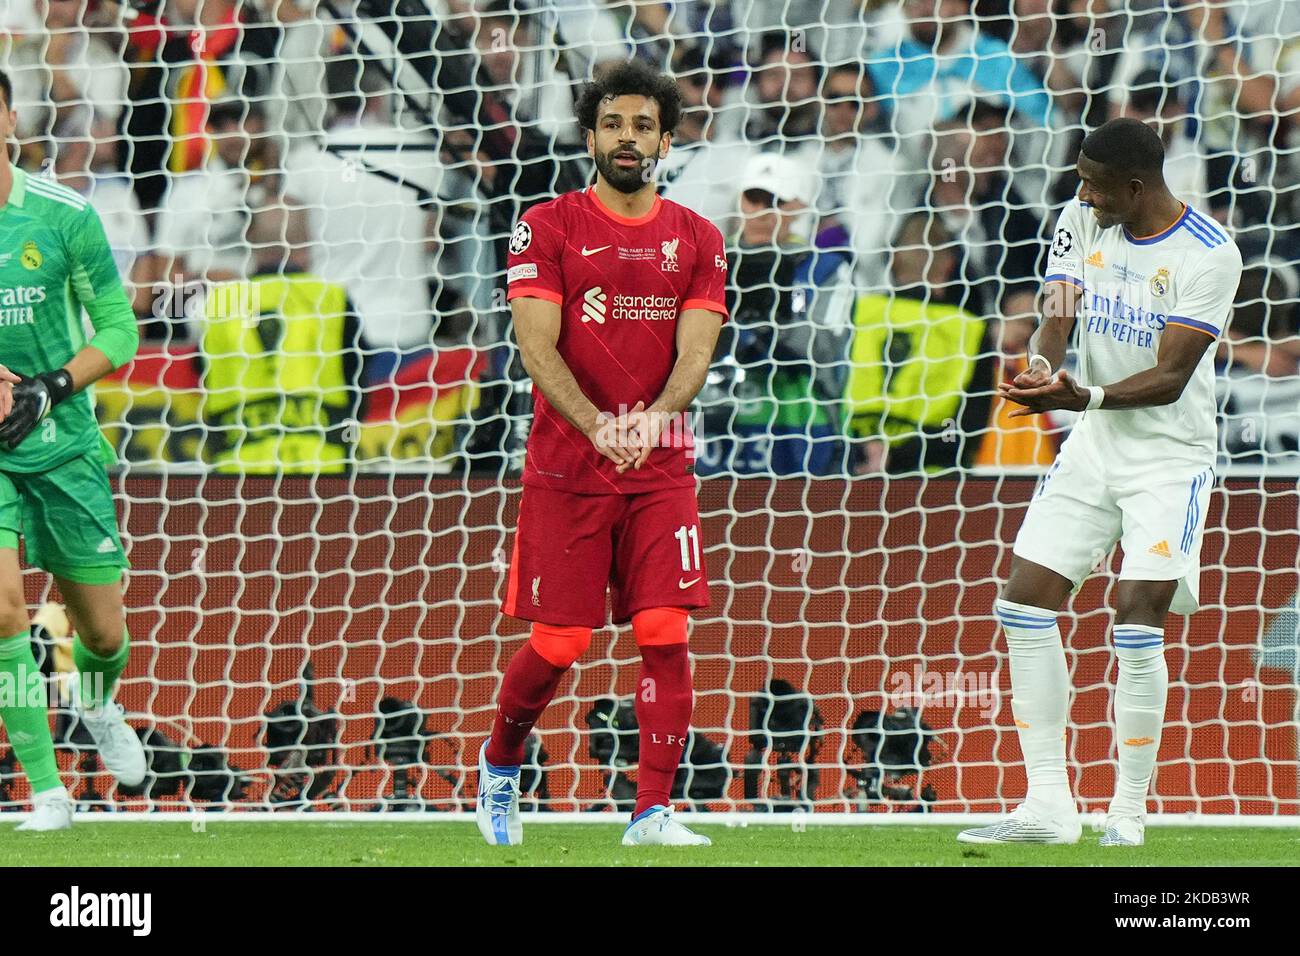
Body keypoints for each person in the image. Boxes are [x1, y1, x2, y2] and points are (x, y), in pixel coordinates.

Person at [958, 118, 1244, 847]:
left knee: (1135, 616)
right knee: (1023, 604)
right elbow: (1060, 306)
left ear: (1137, 188)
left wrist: (1080, 396)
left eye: (1094, 182)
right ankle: (1049, 807)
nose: (1081, 191)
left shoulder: (1209, 255)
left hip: (1169, 457)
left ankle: (1127, 811)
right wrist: (1043, 364)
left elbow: (1175, 377)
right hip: (1093, 444)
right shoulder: (1079, 217)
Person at [480, 59, 728, 848]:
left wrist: (650, 421)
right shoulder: (546, 223)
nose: (628, 138)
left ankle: (652, 813)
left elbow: (696, 353)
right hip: (568, 464)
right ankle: (500, 763)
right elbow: (534, 344)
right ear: (591, 135)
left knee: (665, 632)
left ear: (665, 138)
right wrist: (597, 425)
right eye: (614, 124)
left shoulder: (697, 236)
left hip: (659, 463)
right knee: (561, 643)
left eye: (644, 125)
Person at [0, 70, 146, 830]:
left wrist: (47, 386)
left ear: (9, 119)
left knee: (102, 634)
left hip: (61, 442)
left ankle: (94, 701)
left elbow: (120, 329)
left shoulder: (63, 217)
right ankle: (47, 793)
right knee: (3, 610)